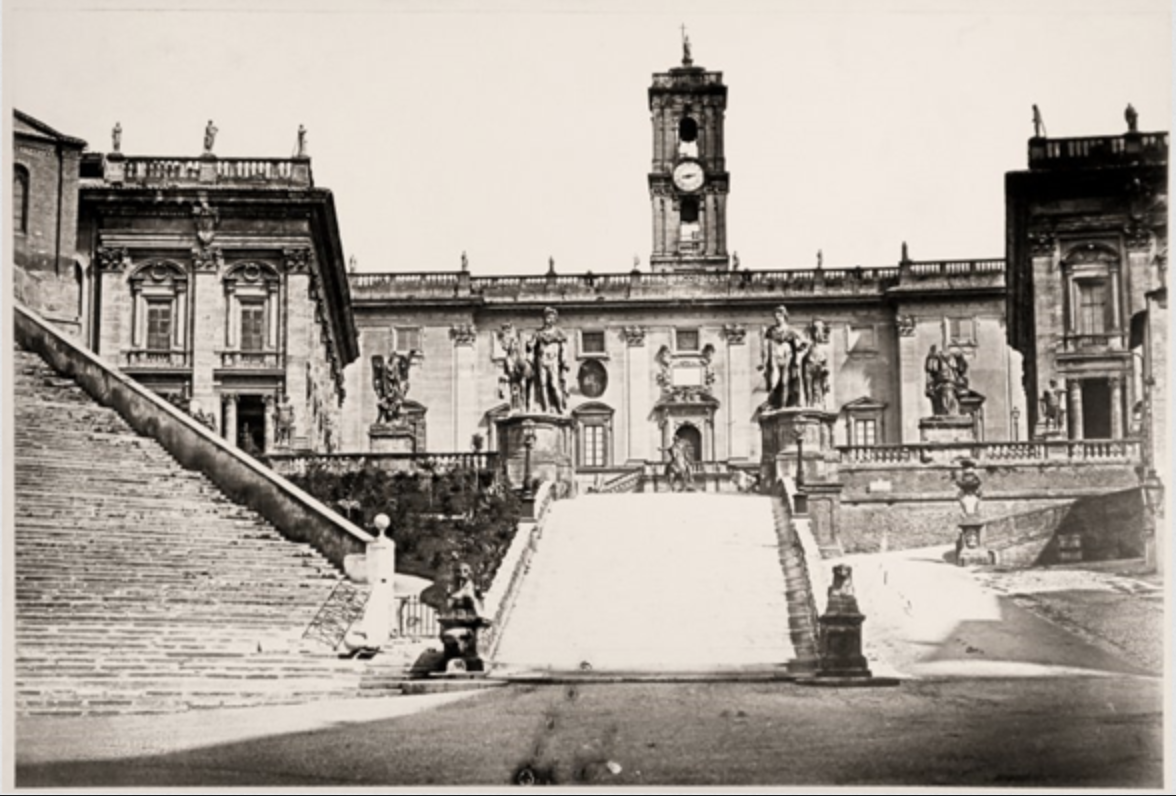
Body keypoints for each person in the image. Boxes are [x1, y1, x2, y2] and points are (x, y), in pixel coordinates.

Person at [760, 305, 808, 409]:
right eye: (775, 316)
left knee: (785, 381)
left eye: (779, 315)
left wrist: (799, 353)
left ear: (784, 316)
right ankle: (774, 402)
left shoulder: (791, 330)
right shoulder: (771, 331)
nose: (777, 318)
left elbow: (804, 342)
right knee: (774, 382)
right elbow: (765, 347)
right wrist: (763, 362)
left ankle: (783, 406)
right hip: (774, 358)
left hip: (787, 358)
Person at [528, 307, 569, 415]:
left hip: (553, 361)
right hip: (541, 360)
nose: (549, 319)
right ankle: (545, 408)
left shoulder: (559, 333)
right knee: (542, 385)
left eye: (551, 317)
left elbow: (564, 348)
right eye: (547, 317)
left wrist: (564, 361)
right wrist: (529, 345)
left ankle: (560, 408)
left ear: (555, 319)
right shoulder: (539, 333)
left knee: (554, 385)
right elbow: (531, 345)